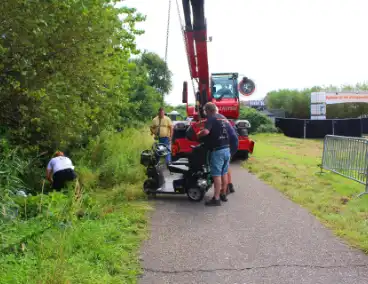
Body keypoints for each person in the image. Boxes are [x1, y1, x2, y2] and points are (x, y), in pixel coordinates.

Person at [197, 102, 231, 206]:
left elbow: (206, 132)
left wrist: (199, 134)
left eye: (205, 112)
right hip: (227, 148)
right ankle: (223, 194)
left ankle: (216, 199)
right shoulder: (223, 118)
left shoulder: (211, 118)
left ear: (208, 110)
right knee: (224, 173)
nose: (205, 114)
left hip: (218, 150)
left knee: (216, 175)